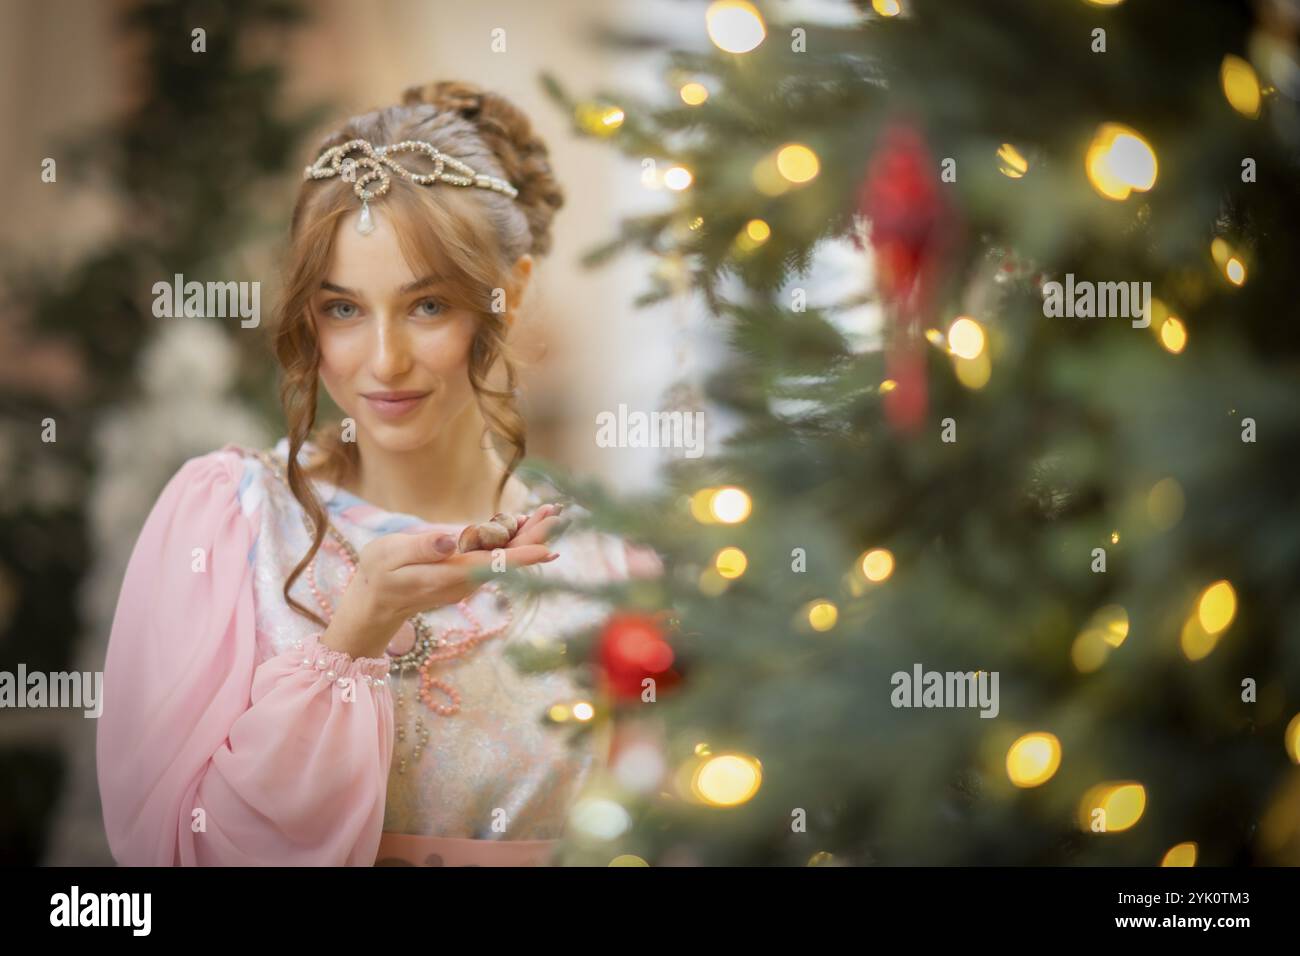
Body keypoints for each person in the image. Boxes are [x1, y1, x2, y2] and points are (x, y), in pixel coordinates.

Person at [96, 80, 658, 866]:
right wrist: (351, 636)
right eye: (343, 309)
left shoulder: (609, 564)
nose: (384, 362)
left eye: (428, 306)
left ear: (511, 293)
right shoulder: (226, 523)